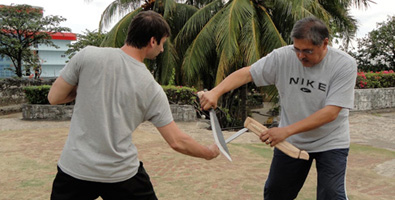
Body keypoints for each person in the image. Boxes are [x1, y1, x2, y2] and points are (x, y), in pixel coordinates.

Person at [48, 11, 219, 200]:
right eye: (162, 43)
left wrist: (84, 91)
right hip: (121, 174)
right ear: (152, 41)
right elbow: (177, 141)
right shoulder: (151, 88)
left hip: (74, 169)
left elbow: (54, 97)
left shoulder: (87, 56)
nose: (162, 50)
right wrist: (208, 153)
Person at [200, 16, 357, 200]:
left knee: (332, 195)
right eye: (296, 49)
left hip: (330, 141)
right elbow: (248, 73)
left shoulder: (344, 65)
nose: (300, 56)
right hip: (292, 142)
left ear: (324, 44)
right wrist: (216, 92)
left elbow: (330, 113)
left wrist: (285, 131)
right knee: (275, 193)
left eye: (307, 51)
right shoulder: (282, 56)